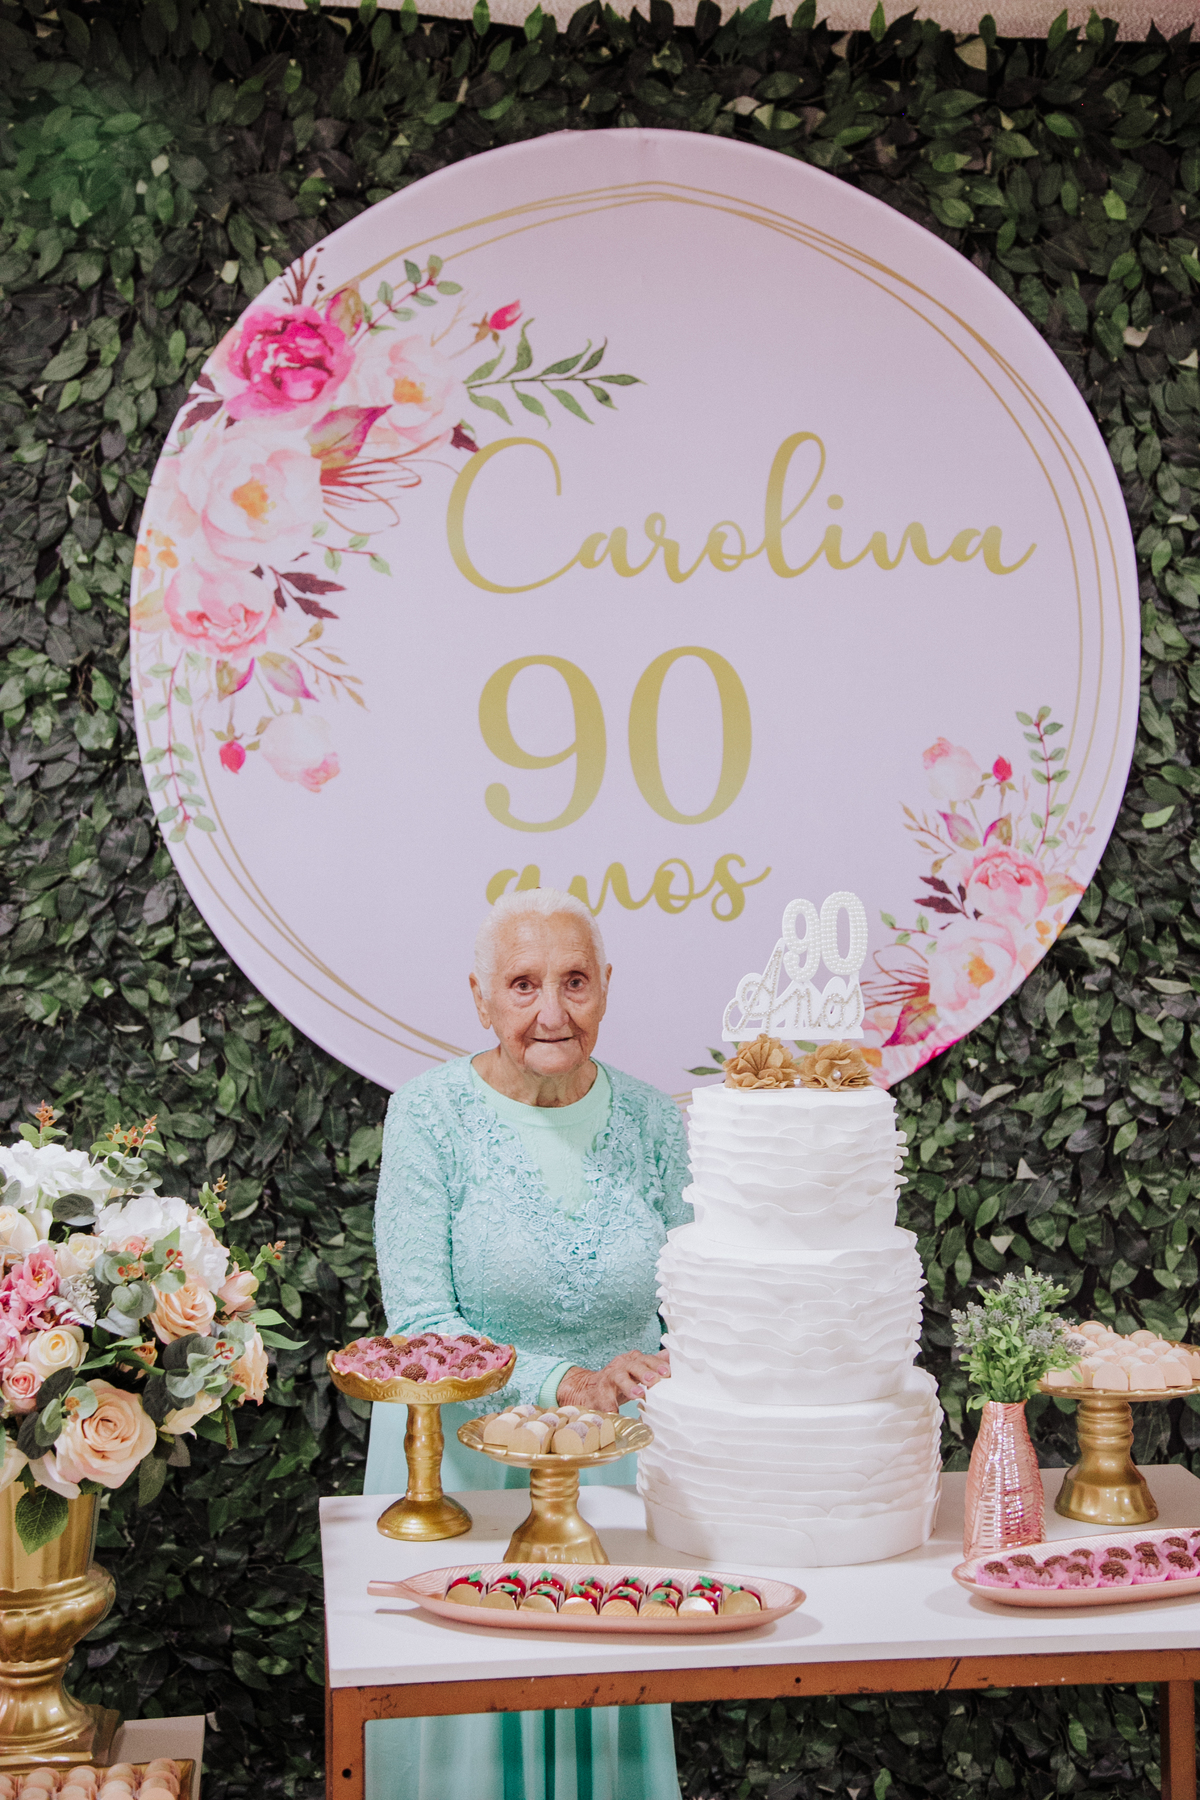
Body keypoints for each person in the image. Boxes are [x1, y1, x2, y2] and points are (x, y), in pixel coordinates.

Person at [365, 886, 691, 1800]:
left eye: (575, 982)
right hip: (462, 1470)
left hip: (615, 1474)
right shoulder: (428, 1115)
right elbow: (420, 1325)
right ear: (479, 998)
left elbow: (697, 1292)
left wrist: (675, 1360)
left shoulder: (654, 1119)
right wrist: (568, 1382)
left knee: (607, 1697)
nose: (552, 1012)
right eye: (522, 985)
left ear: (607, 987)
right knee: (471, 1734)